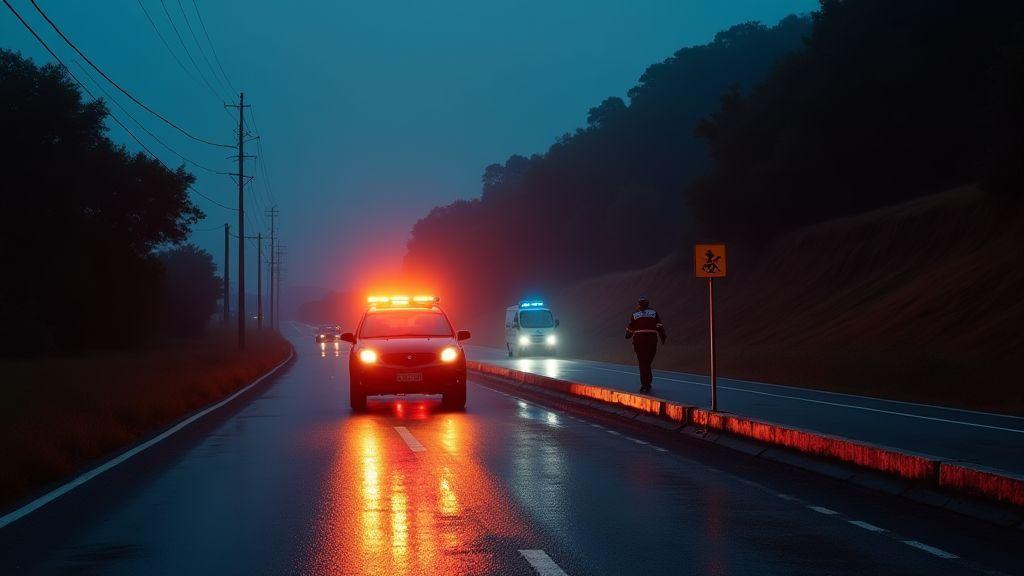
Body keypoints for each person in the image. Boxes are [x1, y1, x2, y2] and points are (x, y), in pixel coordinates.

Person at [625, 296, 667, 393]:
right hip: (652, 340)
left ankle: (645, 384)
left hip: (639, 341)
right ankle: (647, 383)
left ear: (639, 304)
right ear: (648, 304)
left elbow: (630, 328)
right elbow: (659, 326)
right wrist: (663, 337)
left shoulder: (635, 314)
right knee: (647, 362)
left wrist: (627, 335)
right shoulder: (654, 313)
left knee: (642, 362)